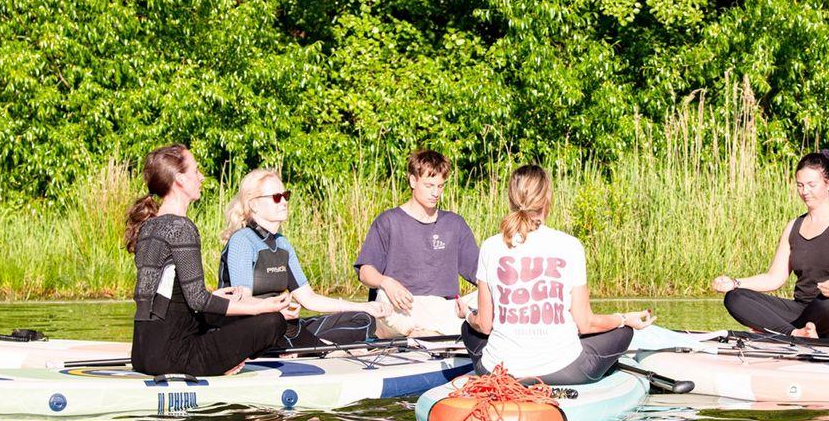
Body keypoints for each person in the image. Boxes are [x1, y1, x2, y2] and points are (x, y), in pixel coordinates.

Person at [462, 164, 654, 384]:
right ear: (547, 199)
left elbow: (484, 324)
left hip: (497, 371)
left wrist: (467, 313)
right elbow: (586, 324)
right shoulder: (570, 245)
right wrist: (623, 318)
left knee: (468, 328)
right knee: (623, 332)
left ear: (510, 199)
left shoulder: (490, 246)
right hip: (564, 371)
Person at [124, 145, 296, 377]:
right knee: (273, 321)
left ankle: (227, 355)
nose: (201, 177)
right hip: (174, 358)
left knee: (234, 312)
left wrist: (217, 297)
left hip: (143, 353)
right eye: (196, 171)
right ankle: (228, 363)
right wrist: (261, 306)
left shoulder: (149, 226)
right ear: (180, 179)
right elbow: (198, 300)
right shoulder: (180, 227)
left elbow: (165, 299)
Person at [218, 168, 389, 348]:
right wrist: (276, 309)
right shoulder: (242, 240)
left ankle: (312, 346)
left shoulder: (282, 244)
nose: (284, 202)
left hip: (283, 326)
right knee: (276, 324)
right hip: (253, 329)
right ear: (254, 205)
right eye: (276, 197)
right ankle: (317, 347)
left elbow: (309, 298)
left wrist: (362, 306)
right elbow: (242, 302)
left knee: (363, 319)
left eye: (286, 195)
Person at [711, 150, 829, 340]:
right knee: (735, 297)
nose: (805, 191)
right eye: (800, 185)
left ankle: (780, 329)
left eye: (811, 185)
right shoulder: (793, 226)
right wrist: (734, 283)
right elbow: (774, 278)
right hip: (800, 312)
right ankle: (795, 333)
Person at [355, 150, 479, 337]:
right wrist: (386, 282)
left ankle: (424, 334)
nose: (435, 193)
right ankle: (430, 334)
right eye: (429, 185)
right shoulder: (388, 221)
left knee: (489, 297)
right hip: (403, 309)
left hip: (444, 310)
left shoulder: (454, 223)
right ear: (413, 181)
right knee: (382, 298)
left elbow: (481, 274)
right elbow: (365, 272)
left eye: (440, 186)